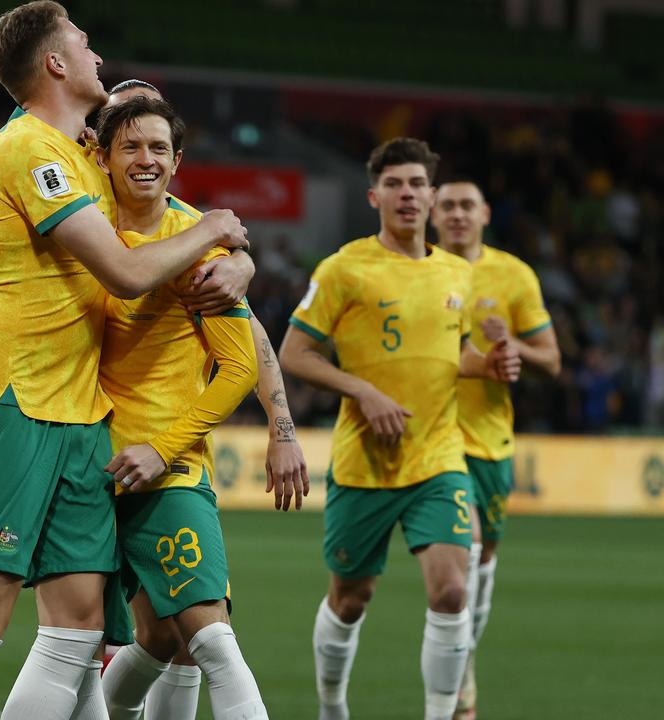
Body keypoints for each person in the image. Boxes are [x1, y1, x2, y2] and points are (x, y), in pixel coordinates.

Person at [0, 4, 249, 719]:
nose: (97, 55)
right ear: (55, 63)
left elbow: (151, 216)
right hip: (12, 401)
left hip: (83, 415)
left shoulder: (83, 156)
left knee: (78, 627)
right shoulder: (28, 149)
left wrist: (234, 260)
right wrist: (219, 228)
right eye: (83, 44)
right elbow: (123, 269)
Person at [278, 138, 521, 720]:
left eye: (417, 185)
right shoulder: (344, 268)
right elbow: (294, 352)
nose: (407, 195)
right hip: (365, 463)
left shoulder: (455, 273)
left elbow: (448, 351)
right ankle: (332, 706)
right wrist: (362, 390)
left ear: (432, 197)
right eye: (395, 185)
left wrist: (485, 365)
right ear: (374, 195)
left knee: (452, 591)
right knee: (350, 598)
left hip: (439, 458)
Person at [86, 96, 309, 720]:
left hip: (167, 464)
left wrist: (280, 422)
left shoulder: (199, 240)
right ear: (102, 150)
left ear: (177, 158)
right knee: (129, 638)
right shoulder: (78, 220)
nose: (145, 157)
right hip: (81, 459)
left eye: (157, 146)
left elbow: (247, 349)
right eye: (129, 143)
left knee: (201, 639)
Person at [430, 179, 560, 720]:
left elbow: (552, 360)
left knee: (480, 569)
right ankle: (453, 698)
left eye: (467, 205)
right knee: (460, 564)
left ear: (485, 213)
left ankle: (463, 669)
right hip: (436, 439)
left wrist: (512, 344)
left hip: (491, 443)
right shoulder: (418, 269)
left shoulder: (514, 275)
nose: (458, 214)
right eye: (448, 206)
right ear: (434, 215)